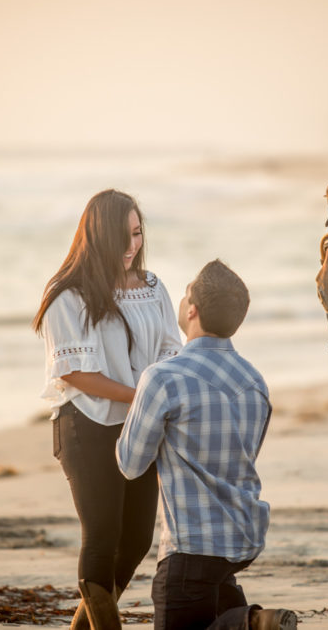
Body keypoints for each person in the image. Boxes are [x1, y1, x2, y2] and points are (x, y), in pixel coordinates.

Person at [116, 260, 297, 630]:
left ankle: (251, 623)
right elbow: (244, 457)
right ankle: (247, 620)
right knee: (214, 595)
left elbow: (131, 463)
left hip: (191, 546)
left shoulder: (164, 377)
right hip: (243, 538)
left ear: (192, 310)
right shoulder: (255, 381)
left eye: (184, 296)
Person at [33, 189, 183, 630]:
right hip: (86, 425)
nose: (131, 246)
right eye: (121, 237)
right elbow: (76, 374)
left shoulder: (154, 288)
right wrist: (143, 394)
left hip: (140, 426)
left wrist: (165, 398)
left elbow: (172, 352)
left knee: (136, 539)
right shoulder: (67, 295)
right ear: (96, 238)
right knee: (101, 537)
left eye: (136, 234)